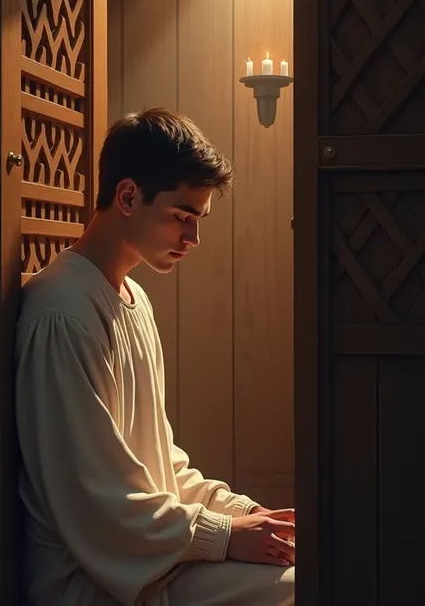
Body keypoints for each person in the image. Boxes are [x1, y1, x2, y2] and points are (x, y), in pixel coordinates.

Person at [15, 108, 295, 606]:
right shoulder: (62, 313)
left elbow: (161, 465)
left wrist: (247, 515)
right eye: (181, 217)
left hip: (156, 560)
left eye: (198, 221)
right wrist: (224, 535)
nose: (193, 239)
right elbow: (98, 504)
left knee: (311, 568)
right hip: (94, 582)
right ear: (127, 196)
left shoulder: (133, 299)